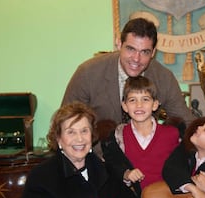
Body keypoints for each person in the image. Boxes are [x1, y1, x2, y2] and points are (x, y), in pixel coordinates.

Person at [14, 102, 139, 198]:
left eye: (84, 131)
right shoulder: (41, 176)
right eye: (71, 132)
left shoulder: (107, 171)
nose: (79, 139)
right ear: (59, 139)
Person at [61, 17, 194, 126]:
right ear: (119, 44)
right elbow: (65, 123)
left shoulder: (164, 77)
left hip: (145, 155)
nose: (136, 59)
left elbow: (186, 122)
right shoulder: (88, 73)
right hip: (98, 155)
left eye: (144, 52)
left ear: (153, 52)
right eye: (131, 49)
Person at [101, 76, 180, 198]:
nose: (139, 105)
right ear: (125, 106)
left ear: (155, 104)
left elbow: (180, 168)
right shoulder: (118, 136)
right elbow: (112, 165)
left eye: (145, 99)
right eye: (132, 100)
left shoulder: (171, 134)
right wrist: (126, 174)